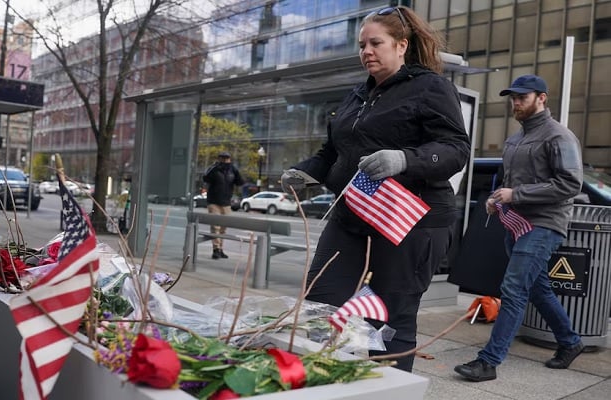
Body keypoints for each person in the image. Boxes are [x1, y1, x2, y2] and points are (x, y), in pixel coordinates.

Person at [281, 6, 470, 372]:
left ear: (401, 45)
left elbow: (455, 149)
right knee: (321, 304)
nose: (366, 51)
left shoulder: (431, 87)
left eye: (375, 43)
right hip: (353, 215)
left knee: (390, 319)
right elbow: (332, 153)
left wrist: (404, 159)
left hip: (411, 221)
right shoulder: (357, 95)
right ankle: (332, 381)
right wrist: (303, 173)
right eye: (361, 44)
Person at [453, 74, 585, 381]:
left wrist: (518, 195)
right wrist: (497, 198)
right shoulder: (515, 139)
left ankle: (489, 362)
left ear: (542, 98)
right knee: (537, 289)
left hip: (545, 225)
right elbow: (508, 180)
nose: (515, 102)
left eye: (522, 97)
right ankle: (570, 342)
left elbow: (570, 183)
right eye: (513, 97)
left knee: (513, 289)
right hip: (517, 223)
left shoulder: (559, 136)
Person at [203, 151, 244, 259]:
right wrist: (215, 167)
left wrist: (235, 170)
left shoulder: (232, 170)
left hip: (226, 202)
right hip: (214, 201)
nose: (225, 160)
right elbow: (205, 178)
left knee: (223, 227)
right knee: (215, 226)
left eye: (227, 158)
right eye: (222, 158)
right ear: (219, 158)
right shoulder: (214, 169)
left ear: (230, 159)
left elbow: (240, 182)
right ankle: (215, 249)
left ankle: (220, 249)